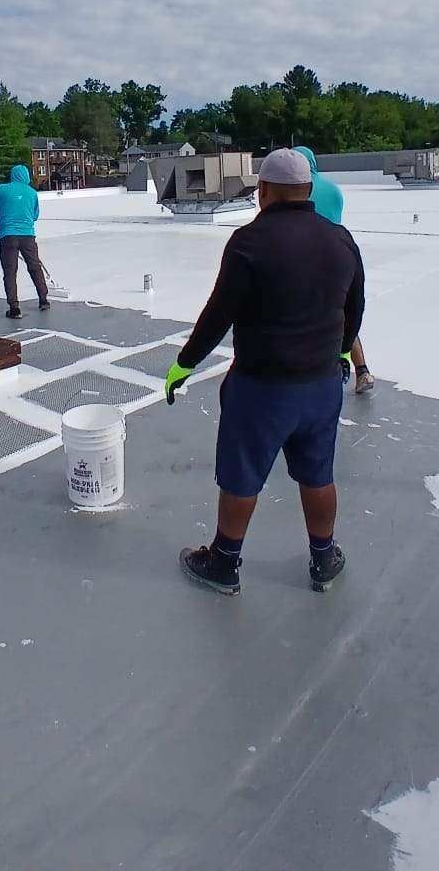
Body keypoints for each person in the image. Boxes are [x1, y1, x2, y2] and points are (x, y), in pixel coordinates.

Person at [166, 148, 365, 597]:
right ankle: (324, 557)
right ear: (308, 190)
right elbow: (354, 314)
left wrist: (185, 364)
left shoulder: (249, 242)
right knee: (318, 474)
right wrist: (336, 358)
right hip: (320, 386)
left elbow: (218, 315)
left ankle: (224, 561)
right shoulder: (341, 240)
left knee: (242, 475)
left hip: (261, 388)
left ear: (265, 191)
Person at [294, 145, 375, 394]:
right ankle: (362, 371)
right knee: (344, 315)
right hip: (339, 256)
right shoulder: (334, 189)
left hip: (307, 260)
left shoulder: (299, 190)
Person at [0, 164, 50, 319]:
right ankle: (43, 300)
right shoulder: (32, 193)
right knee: (34, 267)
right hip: (28, 236)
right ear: (26, 176)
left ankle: (14, 308)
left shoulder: (2, 189)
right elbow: (35, 216)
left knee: (10, 272)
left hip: (8, 236)